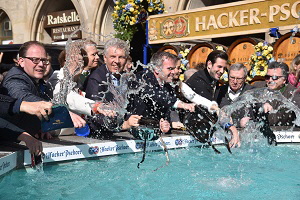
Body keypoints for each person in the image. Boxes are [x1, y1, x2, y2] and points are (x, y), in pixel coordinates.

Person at [128, 51, 196, 135]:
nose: (173, 72)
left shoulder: (167, 85)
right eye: (170, 69)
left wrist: (166, 124)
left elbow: (165, 113)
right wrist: (182, 105)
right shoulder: (142, 79)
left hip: (152, 134)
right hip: (132, 134)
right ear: (157, 69)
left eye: (174, 68)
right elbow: (156, 96)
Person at [184, 50, 240, 148]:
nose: (222, 71)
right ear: (209, 64)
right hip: (190, 130)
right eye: (219, 67)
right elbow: (212, 109)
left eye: (224, 68)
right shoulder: (199, 81)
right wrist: (233, 130)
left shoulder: (212, 78)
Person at [1, 41, 51, 138]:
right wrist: (59, 110)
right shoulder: (15, 78)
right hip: (10, 144)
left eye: (44, 60)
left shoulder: (36, 80)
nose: (41, 64)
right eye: (35, 60)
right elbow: (23, 96)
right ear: (21, 61)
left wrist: (40, 127)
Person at [263, 61, 299, 126]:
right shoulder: (258, 86)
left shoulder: (293, 94)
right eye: (267, 77)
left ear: (284, 80)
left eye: (274, 77)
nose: (270, 80)